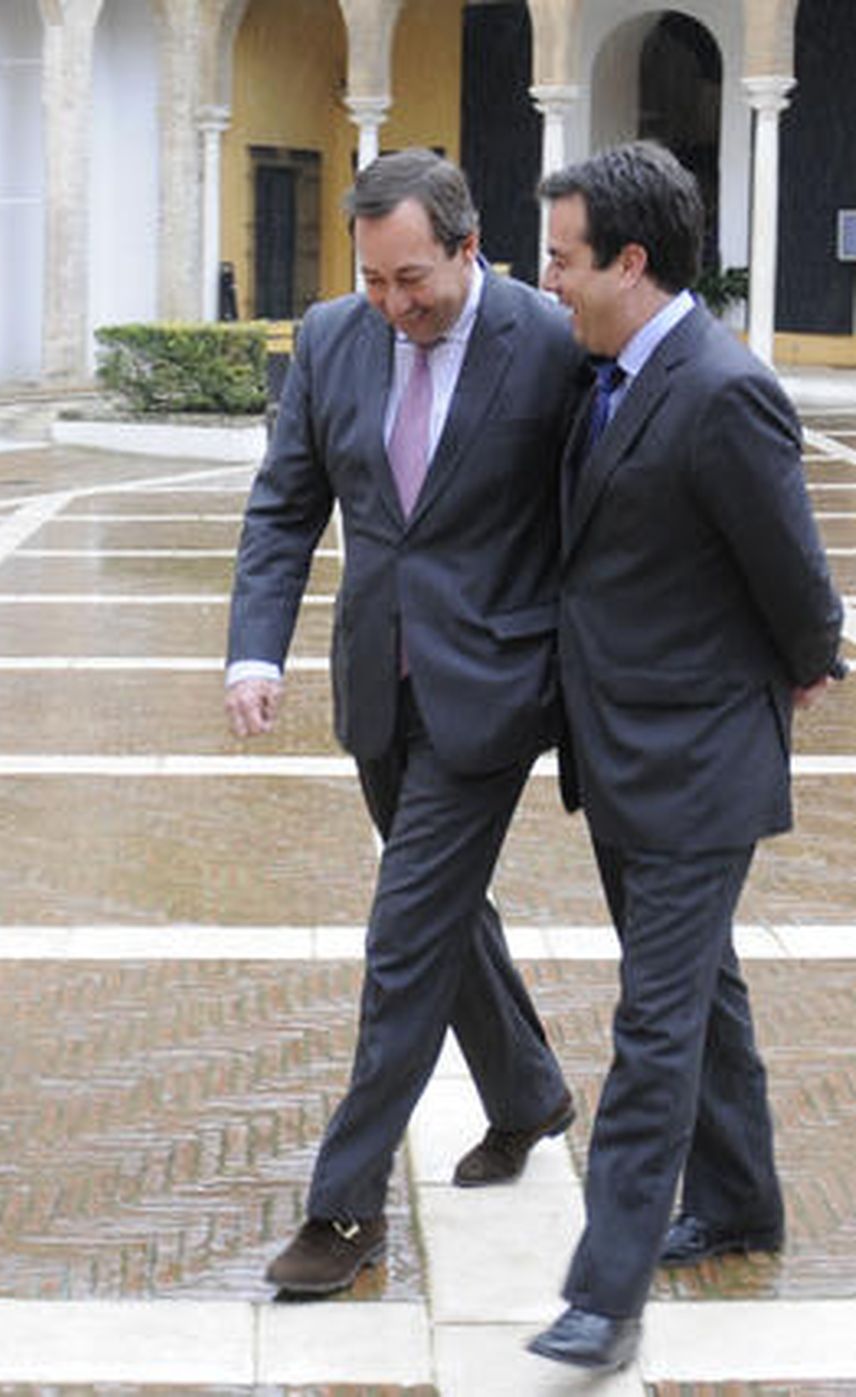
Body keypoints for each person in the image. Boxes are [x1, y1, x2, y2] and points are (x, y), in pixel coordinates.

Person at [226, 149, 583, 1295]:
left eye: (413, 280)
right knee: (440, 912)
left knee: (402, 933)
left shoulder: (547, 339)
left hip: (491, 689)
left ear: (469, 249)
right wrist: (253, 646)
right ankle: (526, 1091)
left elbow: (614, 502)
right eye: (374, 280)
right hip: (376, 682)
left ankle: (343, 1210)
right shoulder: (333, 337)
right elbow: (287, 502)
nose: (394, 305)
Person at [526, 141, 844, 1373]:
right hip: (619, 751)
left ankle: (603, 1292)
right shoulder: (600, 371)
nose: (546, 279)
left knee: (654, 1021)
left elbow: (793, 570)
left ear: (630, 260)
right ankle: (744, 1199)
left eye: (561, 257)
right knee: (702, 991)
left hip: (698, 762)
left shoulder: (720, 389)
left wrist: (810, 655)